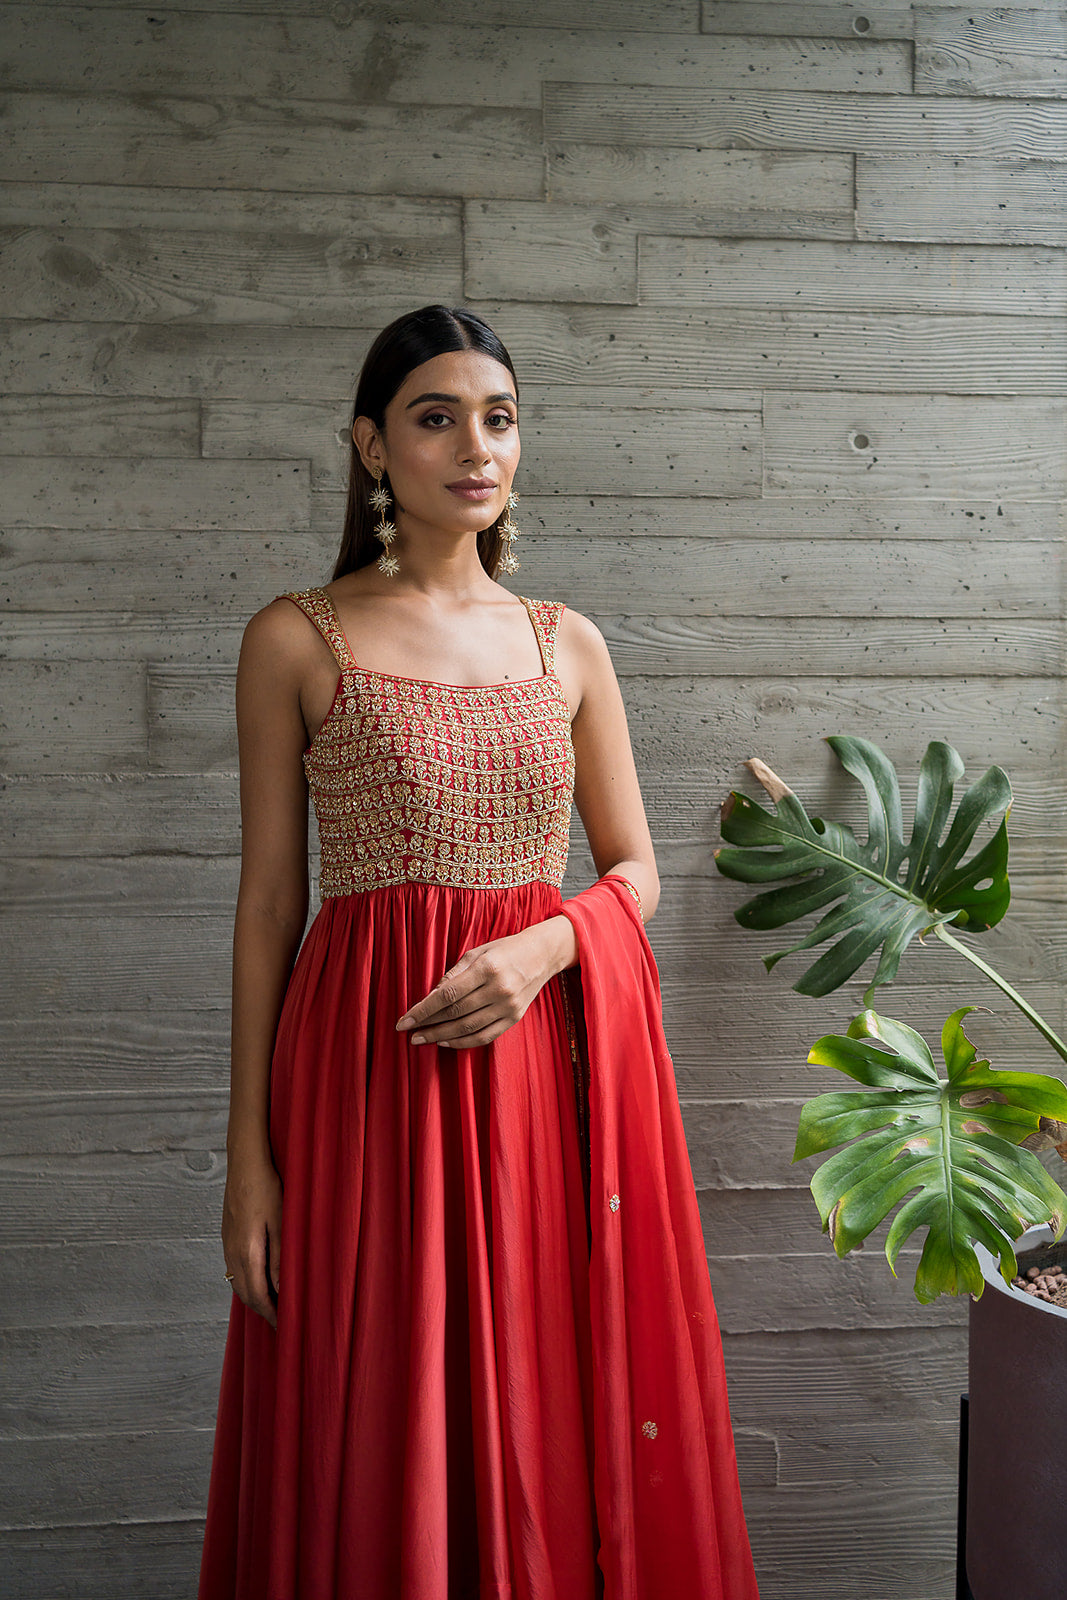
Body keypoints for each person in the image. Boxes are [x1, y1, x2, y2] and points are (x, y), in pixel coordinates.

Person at [198, 305, 759, 1600]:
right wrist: (248, 1160)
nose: (474, 443)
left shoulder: (567, 644)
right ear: (371, 447)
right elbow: (270, 904)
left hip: (530, 1077)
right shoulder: (295, 635)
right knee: (376, 1388)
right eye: (436, 416)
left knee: (530, 1385)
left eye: (497, 417)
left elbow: (635, 870)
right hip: (359, 1079)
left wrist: (545, 947)